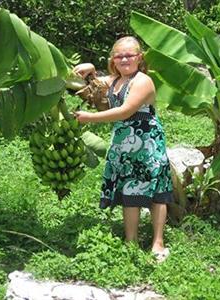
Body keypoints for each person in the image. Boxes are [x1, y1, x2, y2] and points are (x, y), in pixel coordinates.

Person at [73, 36, 173, 261]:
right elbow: (95, 84)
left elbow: (125, 111)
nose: (125, 59)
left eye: (130, 55)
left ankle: (158, 242)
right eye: (119, 56)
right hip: (124, 142)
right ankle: (131, 241)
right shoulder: (115, 80)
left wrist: (89, 118)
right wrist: (89, 69)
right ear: (113, 60)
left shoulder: (143, 80)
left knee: (156, 191)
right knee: (130, 189)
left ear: (140, 57)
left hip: (147, 141)